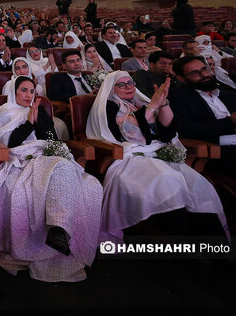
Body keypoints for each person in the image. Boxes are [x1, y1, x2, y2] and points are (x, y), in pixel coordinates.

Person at [0, 76, 101, 282]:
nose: (29, 95)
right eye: (24, 90)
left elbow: (51, 140)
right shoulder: (4, 112)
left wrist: (39, 119)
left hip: (46, 156)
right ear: (14, 92)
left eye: (32, 91)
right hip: (20, 158)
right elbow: (7, 144)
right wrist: (28, 122)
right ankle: (54, 232)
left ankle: (60, 232)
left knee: (90, 185)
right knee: (23, 188)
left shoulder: (41, 111)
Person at [85, 71, 227, 242]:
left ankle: (215, 246)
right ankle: (185, 244)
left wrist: (164, 102)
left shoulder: (140, 102)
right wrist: (153, 105)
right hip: (130, 157)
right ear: (111, 88)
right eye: (121, 84)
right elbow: (129, 133)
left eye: (130, 83)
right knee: (168, 180)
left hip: (156, 152)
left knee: (197, 184)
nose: (128, 87)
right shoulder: (108, 106)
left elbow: (167, 130)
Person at [170, 56, 236, 177]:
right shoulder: (178, 98)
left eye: (205, 69)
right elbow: (187, 130)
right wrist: (231, 123)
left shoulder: (227, 93)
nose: (204, 75)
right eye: (195, 73)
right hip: (215, 149)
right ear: (181, 78)